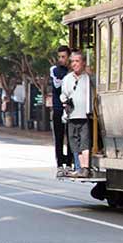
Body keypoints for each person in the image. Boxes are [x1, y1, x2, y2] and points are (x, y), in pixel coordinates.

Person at [60, 51, 94, 178]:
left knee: (84, 141)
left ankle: (85, 168)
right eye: (72, 61)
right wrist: (64, 101)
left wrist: (92, 75)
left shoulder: (88, 77)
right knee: (74, 142)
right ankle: (79, 167)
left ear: (83, 63)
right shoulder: (67, 78)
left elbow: (96, 87)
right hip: (71, 115)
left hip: (85, 115)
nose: (74, 64)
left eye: (77, 61)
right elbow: (63, 94)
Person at [49, 46, 73, 175]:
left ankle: (69, 163)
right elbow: (58, 85)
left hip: (70, 109)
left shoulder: (73, 70)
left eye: (63, 57)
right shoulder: (54, 70)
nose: (61, 59)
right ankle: (59, 165)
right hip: (58, 108)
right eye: (59, 57)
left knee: (70, 137)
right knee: (58, 138)